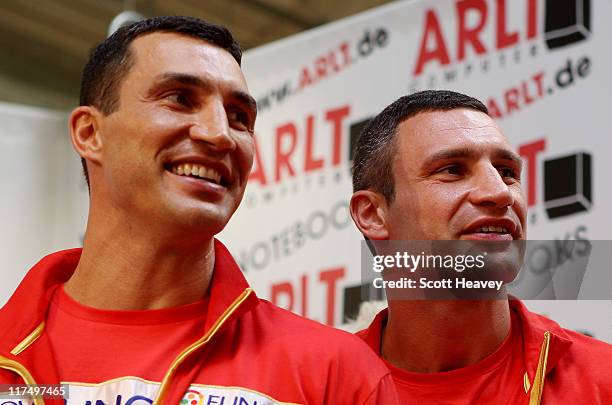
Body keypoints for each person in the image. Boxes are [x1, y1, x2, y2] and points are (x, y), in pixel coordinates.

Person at [0, 16, 399, 405]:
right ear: (90, 133)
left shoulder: (334, 372)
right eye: (180, 99)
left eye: (239, 117)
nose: (219, 134)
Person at [349, 90, 612, 404]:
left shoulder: (602, 380)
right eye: (452, 170)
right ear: (372, 214)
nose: (500, 193)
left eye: (507, 172)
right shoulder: (311, 391)